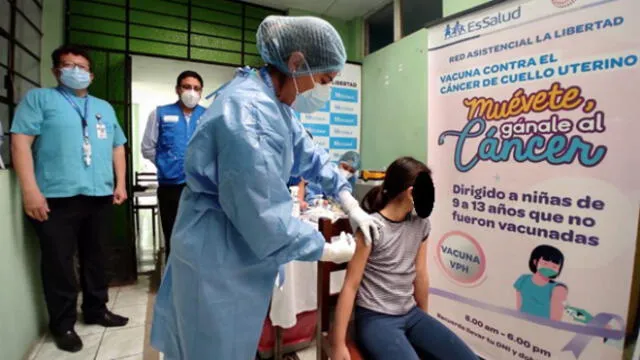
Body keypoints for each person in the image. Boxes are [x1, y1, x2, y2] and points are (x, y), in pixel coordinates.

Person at [150, 16, 384, 359]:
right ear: (295, 62)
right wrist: (327, 249)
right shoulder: (249, 111)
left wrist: (350, 202)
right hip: (217, 253)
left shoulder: (274, 104)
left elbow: (311, 154)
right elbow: (260, 216)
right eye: (323, 79)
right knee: (211, 347)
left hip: (229, 247)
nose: (325, 90)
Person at [10, 45, 129, 353]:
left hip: (99, 194)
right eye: (68, 65)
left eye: (82, 66)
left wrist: (120, 183)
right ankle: (62, 324)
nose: (76, 71)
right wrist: (30, 190)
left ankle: (96, 309)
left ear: (90, 74)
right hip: (55, 197)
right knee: (59, 263)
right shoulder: (39, 99)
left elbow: (118, 146)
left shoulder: (103, 106)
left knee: (97, 257)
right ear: (56, 71)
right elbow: (20, 143)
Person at [332, 157, 478, 360]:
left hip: (411, 314)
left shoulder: (421, 225)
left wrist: (424, 325)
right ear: (412, 193)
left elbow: (420, 274)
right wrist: (338, 344)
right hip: (376, 319)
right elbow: (350, 285)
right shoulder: (371, 227)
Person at [141, 71, 206, 260]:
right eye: (187, 87)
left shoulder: (208, 115)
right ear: (177, 89)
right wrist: (166, 164)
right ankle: (174, 285)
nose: (191, 92)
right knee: (173, 237)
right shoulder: (160, 113)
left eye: (196, 88)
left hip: (200, 187)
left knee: (199, 237)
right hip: (171, 187)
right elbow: (147, 148)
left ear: (201, 92)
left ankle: (197, 284)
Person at [514, 244, 567, 320]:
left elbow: (555, 320)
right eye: (545, 263)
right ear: (535, 262)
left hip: (544, 328)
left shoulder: (559, 289)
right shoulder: (523, 279)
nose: (549, 268)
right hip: (522, 323)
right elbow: (519, 308)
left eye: (554, 266)